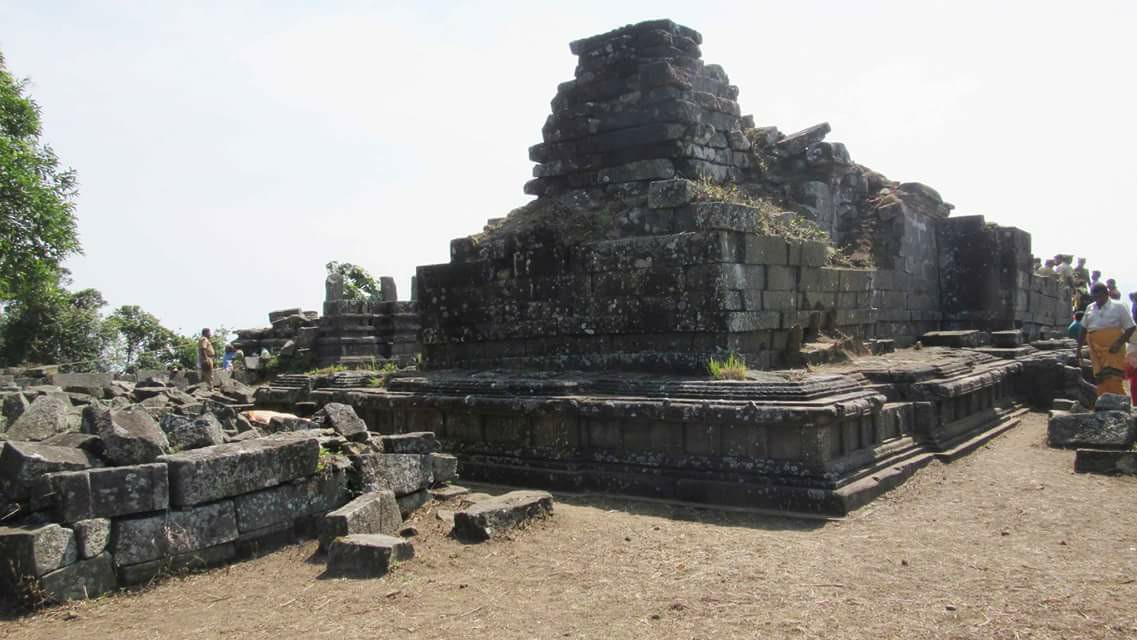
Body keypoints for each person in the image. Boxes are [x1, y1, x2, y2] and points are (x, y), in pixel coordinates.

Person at [1077, 283, 1136, 397]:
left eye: (1100, 297)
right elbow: (1083, 329)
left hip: (1114, 348)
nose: (1097, 300)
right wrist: (1078, 349)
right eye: (1095, 297)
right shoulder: (1090, 307)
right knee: (1100, 377)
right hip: (1095, 348)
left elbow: (1130, 327)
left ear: (1107, 294)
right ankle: (1103, 402)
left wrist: (1119, 343)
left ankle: (1119, 401)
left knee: (1114, 376)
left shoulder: (1119, 306)